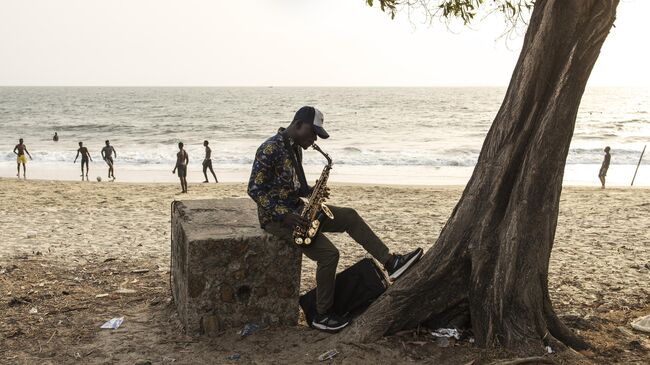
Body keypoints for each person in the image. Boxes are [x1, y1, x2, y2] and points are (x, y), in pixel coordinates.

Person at [247, 106, 423, 333]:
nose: (313, 140)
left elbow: (292, 187)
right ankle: (322, 314)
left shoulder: (294, 148)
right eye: (313, 134)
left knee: (349, 216)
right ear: (298, 124)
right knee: (330, 254)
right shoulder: (269, 149)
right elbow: (254, 189)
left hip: (299, 210)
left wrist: (312, 191)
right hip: (278, 220)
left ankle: (391, 263)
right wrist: (284, 215)